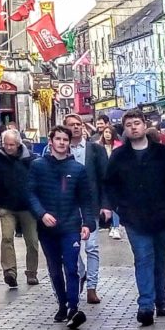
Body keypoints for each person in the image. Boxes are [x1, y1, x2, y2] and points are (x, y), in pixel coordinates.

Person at [100, 110, 165, 325]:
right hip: (134, 218)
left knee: (160, 258)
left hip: (161, 216)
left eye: (137, 123)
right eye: (129, 124)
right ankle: (146, 305)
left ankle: (162, 299)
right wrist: (120, 208)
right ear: (125, 129)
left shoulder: (162, 153)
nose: (133, 127)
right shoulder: (119, 156)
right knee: (142, 258)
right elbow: (109, 184)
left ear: (144, 125)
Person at [27, 125, 96, 328]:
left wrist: (88, 223)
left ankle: (73, 307)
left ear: (69, 143)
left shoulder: (77, 169)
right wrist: (41, 214)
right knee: (55, 269)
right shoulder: (38, 166)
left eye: (65, 140)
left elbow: (85, 199)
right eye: (58, 139)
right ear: (51, 141)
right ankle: (62, 303)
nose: (61, 143)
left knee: (71, 267)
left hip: (70, 225)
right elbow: (30, 193)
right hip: (47, 228)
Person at [65, 113, 112, 305]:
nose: (76, 127)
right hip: (68, 208)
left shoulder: (95, 150)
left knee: (91, 247)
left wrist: (106, 205)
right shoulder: (61, 149)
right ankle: (82, 273)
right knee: (71, 248)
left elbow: (105, 179)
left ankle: (92, 287)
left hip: (90, 207)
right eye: (72, 125)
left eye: (79, 124)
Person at [0, 127, 38, 288]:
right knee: (7, 238)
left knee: (32, 241)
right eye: (6, 144)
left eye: (11, 145)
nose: (8, 148)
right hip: (5, 204)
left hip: (27, 205)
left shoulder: (30, 158)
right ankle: (10, 272)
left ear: (18, 144)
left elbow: (36, 181)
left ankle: (31, 273)